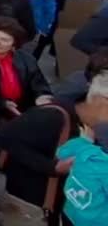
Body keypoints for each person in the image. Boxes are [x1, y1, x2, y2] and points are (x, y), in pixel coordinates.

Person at [0, 73, 108, 225]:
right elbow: (5, 136)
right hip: (28, 205)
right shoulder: (53, 116)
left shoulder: (89, 126)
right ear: (101, 101)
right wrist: (52, 167)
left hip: (54, 207)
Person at [0, 16, 53, 161]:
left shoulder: (26, 59)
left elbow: (39, 83)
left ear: (14, 43)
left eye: (5, 39)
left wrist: (42, 96)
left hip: (20, 112)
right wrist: (2, 103)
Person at [54, 78, 108, 226]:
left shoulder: (81, 145)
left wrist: (84, 140)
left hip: (71, 213)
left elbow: (61, 153)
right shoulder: (101, 162)